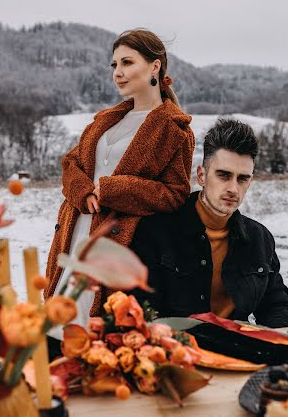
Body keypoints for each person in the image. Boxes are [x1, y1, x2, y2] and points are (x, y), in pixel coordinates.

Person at [45, 28, 195, 350]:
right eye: (114, 65)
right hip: (74, 234)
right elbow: (71, 163)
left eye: (127, 63)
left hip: (115, 244)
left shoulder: (174, 128)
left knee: (93, 339)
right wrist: (84, 191)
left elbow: (175, 193)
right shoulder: (108, 119)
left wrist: (114, 190)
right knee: (56, 332)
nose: (118, 73)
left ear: (155, 67)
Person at [130, 118, 288, 328]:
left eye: (242, 178)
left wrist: (285, 342)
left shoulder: (259, 239)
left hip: (239, 351)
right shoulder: (156, 232)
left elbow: (276, 306)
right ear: (201, 176)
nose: (233, 189)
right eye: (224, 175)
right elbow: (142, 312)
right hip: (177, 351)